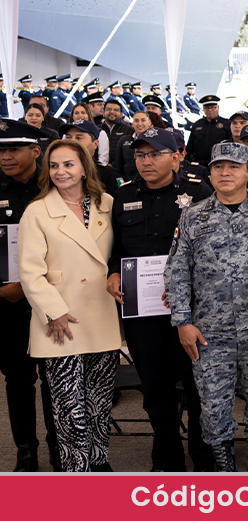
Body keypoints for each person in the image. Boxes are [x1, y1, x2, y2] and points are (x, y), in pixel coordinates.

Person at [165, 142, 248, 473]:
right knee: (214, 405)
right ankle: (224, 467)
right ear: (210, 172)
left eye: (234, 167)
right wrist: (182, 322)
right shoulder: (192, 216)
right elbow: (176, 272)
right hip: (209, 331)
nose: (225, 172)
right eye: (218, 167)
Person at [105, 127, 214, 472]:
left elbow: (213, 252)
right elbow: (118, 248)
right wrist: (112, 272)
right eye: (140, 155)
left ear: (177, 155)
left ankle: (204, 459)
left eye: (155, 154)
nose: (146, 161)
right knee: (155, 389)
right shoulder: (123, 196)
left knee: (200, 389)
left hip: (191, 311)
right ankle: (167, 459)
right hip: (142, 312)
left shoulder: (199, 193)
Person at [19, 139, 121, 472]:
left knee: (99, 402)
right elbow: (30, 271)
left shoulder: (106, 202)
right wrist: (54, 311)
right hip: (60, 320)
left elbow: (118, 254)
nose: (61, 171)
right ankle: (76, 472)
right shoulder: (37, 210)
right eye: (54, 165)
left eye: (68, 164)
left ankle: (100, 463)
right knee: (68, 407)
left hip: (101, 314)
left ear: (83, 167)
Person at [0, 121, 65, 473]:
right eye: (0, 151)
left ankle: (60, 449)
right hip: (7, 304)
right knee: (17, 379)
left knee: (55, 377)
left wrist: (30, 284)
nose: (6, 157)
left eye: (13, 149)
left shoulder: (54, 190)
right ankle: (26, 450)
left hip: (51, 301)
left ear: (35, 152)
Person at [184, 95, 229, 165]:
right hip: (199, 164)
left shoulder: (226, 124)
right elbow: (190, 146)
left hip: (220, 163)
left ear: (218, 108)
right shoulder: (197, 124)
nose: (210, 110)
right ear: (203, 109)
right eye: (207, 108)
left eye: (213, 107)